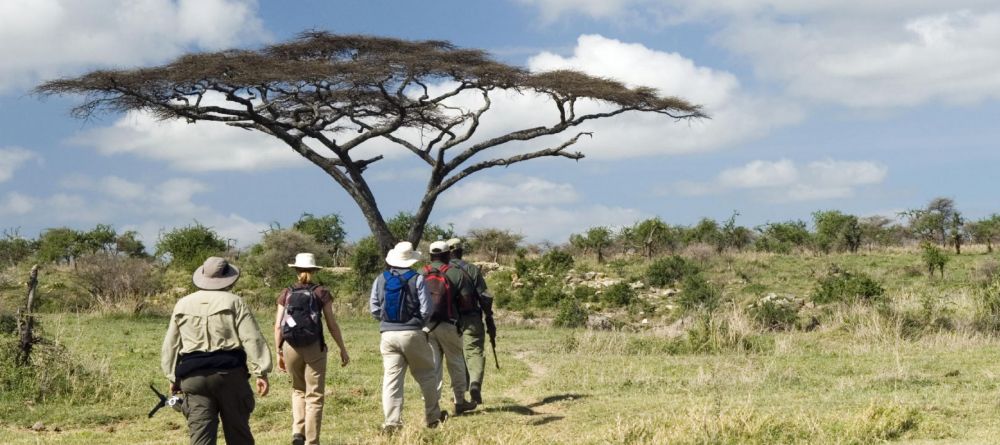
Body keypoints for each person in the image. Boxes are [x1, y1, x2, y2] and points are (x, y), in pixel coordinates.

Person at [161, 256, 272, 445]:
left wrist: (172, 377)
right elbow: (251, 338)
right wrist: (260, 372)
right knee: (239, 435)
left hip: (193, 377)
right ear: (227, 278)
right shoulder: (235, 302)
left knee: (201, 438)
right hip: (230, 375)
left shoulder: (183, 304)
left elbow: (171, 343)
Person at [274, 253, 350, 445]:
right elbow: (332, 324)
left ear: (296, 270)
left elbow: (278, 325)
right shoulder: (321, 292)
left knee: (298, 390)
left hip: (290, 346)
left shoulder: (286, 292)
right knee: (314, 395)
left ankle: (297, 433)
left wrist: (278, 351)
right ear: (314, 271)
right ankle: (312, 441)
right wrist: (342, 348)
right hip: (314, 346)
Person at [370, 241, 444, 432]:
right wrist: (418, 324)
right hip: (412, 332)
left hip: (387, 334)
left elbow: (374, 308)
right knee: (427, 375)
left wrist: (386, 321)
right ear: (411, 260)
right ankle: (433, 417)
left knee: (391, 380)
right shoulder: (417, 278)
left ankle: (392, 422)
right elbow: (427, 308)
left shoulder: (381, 279)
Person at [423, 240, 478, 415]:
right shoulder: (455, 273)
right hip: (449, 324)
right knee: (456, 362)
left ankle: (432, 406)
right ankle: (459, 401)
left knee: (433, 366)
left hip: (426, 326)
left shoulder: (420, 273)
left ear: (430, 256)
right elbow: (466, 302)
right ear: (448, 255)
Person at [446, 237, 496, 405]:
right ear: (460, 251)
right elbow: (484, 295)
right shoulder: (471, 269)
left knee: (455, 356)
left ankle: (459, 394)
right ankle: (475, 383)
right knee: (474, 352)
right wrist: (488, 316)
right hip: (471, 317)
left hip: (448, 320)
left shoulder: (443, 270)